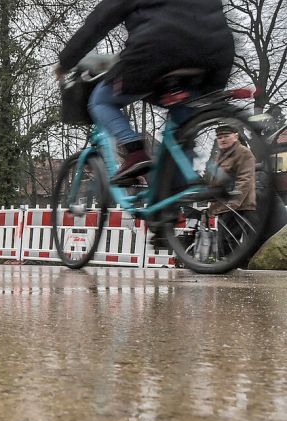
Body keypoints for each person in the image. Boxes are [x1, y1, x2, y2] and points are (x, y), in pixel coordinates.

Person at [54, 0, 235, 182]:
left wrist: (66, 61)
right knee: (181, 130)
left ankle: (135, 151)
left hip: (157, 50)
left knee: (100, 100)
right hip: (214, 57)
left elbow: (99, 20)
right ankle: (179, 191)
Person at [208, 125, 257, 256]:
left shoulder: (243, 152)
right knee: (224, 242)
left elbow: (245, 179)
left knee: (229, 241)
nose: (222, 139)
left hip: (238, 206)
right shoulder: (221, 155)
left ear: (235, 136)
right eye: (219, 137)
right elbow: (216, 182)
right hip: (225, 206)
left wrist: (233, 204)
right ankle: (227, 268)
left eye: (226, 136)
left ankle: (231, 271)